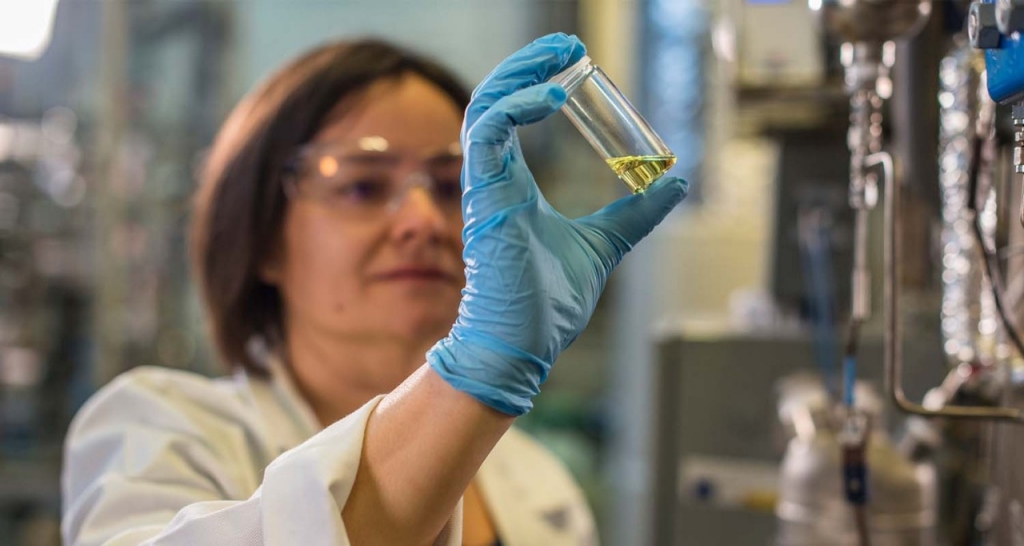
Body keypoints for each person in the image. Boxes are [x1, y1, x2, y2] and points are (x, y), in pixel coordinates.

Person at [60, 33, 688, 546]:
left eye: (451, 186)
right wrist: (480, 367)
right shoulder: (158, 432)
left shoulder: (539, 484)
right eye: (361, 185)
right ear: (263, 240)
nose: (423, 221)